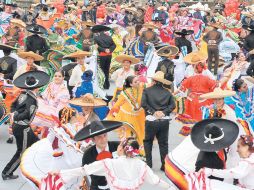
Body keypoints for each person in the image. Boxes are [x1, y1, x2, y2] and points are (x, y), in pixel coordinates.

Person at [51, 137, 175, 190]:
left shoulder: (109, 164)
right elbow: (156, 181)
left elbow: (84, 170)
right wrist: (172, 187)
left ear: (121, 149)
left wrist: (60, 173)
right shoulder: (141, 165)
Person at [2, 70, 50, 180]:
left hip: (22, 127)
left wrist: (14, 113)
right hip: (22, 128)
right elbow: (27, 113)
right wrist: (16, 116)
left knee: (37, 145)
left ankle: (39, 169)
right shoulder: (31, 99)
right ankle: (6, 172)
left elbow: (13, 106)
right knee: (21, 152)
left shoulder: (23, 94)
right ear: (36, 87)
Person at [141, 71, 176, 171]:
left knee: (148, 141)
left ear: (153, 80)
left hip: (151, 120)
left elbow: (143, 104)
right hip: (164, 121)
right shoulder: (167, 92)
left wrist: (153, 112)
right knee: (163, 143)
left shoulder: (147, 90)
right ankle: (164, 165)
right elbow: (172, 106)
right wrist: (164, 112)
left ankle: (149, 164)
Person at [176, 52, 217, 121]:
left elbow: (182, 87)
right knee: (202, 114)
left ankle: (193, 125)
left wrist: (174, 94)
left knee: (191, 114)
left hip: (192, 97)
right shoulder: (206, 76)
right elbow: (214, 83)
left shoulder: (192, 77)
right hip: (203, 97)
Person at [108, 75, 145, 148]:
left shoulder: (141, 89)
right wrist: (113, 112)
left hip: (139, 116)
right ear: (131, 84)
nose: (138, 82)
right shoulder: (125, 93)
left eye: (138, 80)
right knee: (129, 134)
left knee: (139, 133)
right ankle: (128, 149)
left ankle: (137, 149)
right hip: (127, 116)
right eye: (135, 81)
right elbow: (117, 104)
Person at [92, 25, 116, 89]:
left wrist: (104, 50)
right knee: (107, 69)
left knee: (101, 70)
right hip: (109, 55)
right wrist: (109, 50)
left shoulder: (96, 38)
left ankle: (103, 84)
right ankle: (107, 85)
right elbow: (114, 45)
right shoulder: (109, 37)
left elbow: (97, 46)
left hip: (102, 55)